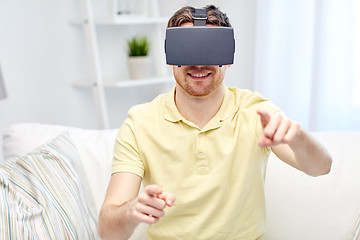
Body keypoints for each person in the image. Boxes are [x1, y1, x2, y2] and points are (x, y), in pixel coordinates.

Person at [98, 5, 332, 240]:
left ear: (228, 59)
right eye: (187, 50)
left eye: (210, 50)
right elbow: (107, 233)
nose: (199, 64)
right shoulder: (140, 122)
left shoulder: (256, 112)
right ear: (170, 59)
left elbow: (321, 167)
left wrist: (298, 137)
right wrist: (132, 211)